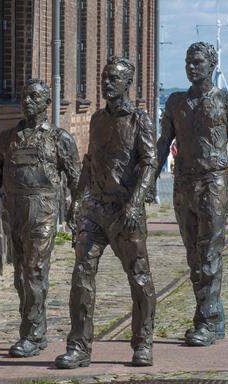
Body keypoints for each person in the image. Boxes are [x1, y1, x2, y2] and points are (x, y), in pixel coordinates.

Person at [55, 57, 157, 369]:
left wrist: (136, 201)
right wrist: (76, 200)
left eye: (114, 78)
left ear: (128, 83)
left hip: (126, 211)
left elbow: (150, 163)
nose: (107, 83)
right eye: (104, 77)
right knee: (81, 277)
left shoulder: (140, 120)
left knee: (139, 278)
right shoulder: (98, 119)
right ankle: (79, 347)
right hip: (95, 210)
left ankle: (143, 343)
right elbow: (89, 162)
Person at [156, 42, 228, 347]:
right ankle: (214, 316)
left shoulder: (227, 100)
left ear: (212, 64)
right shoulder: (175, 102)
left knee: (210, 254)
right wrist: (148, 181)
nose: (192, 67)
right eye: (188, 62)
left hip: (214, 181)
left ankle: (206, 320)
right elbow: (163, 144)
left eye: (198, 62)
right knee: (194, 256)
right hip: (183, 182)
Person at [0, 80, 81, 358]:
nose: (27, 101)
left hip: (43, 209)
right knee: (21, 277)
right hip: (15, 210)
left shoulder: (60, 139)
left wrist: (75, 214)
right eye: (24, 96)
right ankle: (37, 329)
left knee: (34, 271)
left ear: (47, 103)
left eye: (35, 97)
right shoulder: (8, 137)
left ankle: (31, 334)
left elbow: (77, 181)